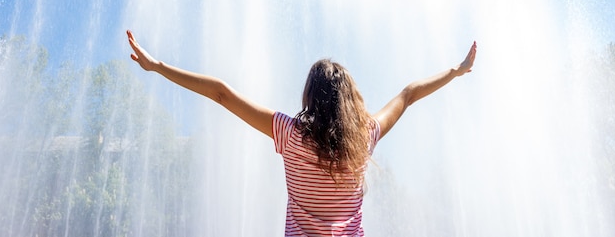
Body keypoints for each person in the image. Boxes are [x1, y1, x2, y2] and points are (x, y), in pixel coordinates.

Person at [127, 30, 476, 236]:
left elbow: (221, 93)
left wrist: (157, 67)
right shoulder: (365, 136)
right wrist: (455, 71)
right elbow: (408, 94)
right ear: (349, 100)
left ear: (309, 96)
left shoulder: (290, 135)